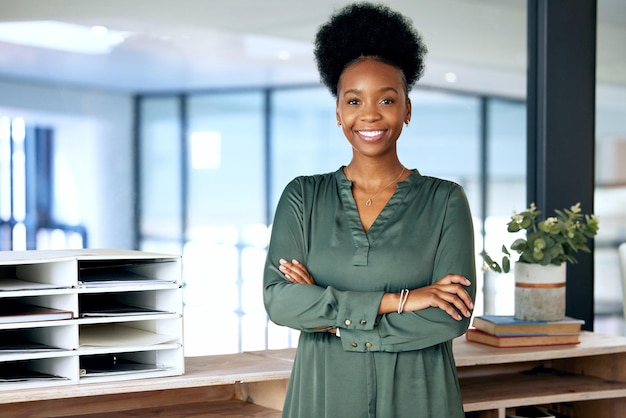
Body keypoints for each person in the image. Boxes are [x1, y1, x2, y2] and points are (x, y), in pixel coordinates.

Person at [263, 3, 476, 417]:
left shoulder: (446, 201)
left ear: (407, 110)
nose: (371, 114)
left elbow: (449, 318)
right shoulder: (303, 198)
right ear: (339, 113)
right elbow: (280, 302)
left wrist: (329, 317)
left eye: (387, 99)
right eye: (354, 100)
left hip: (420, 397)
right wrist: (402, 300)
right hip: (324, 395)